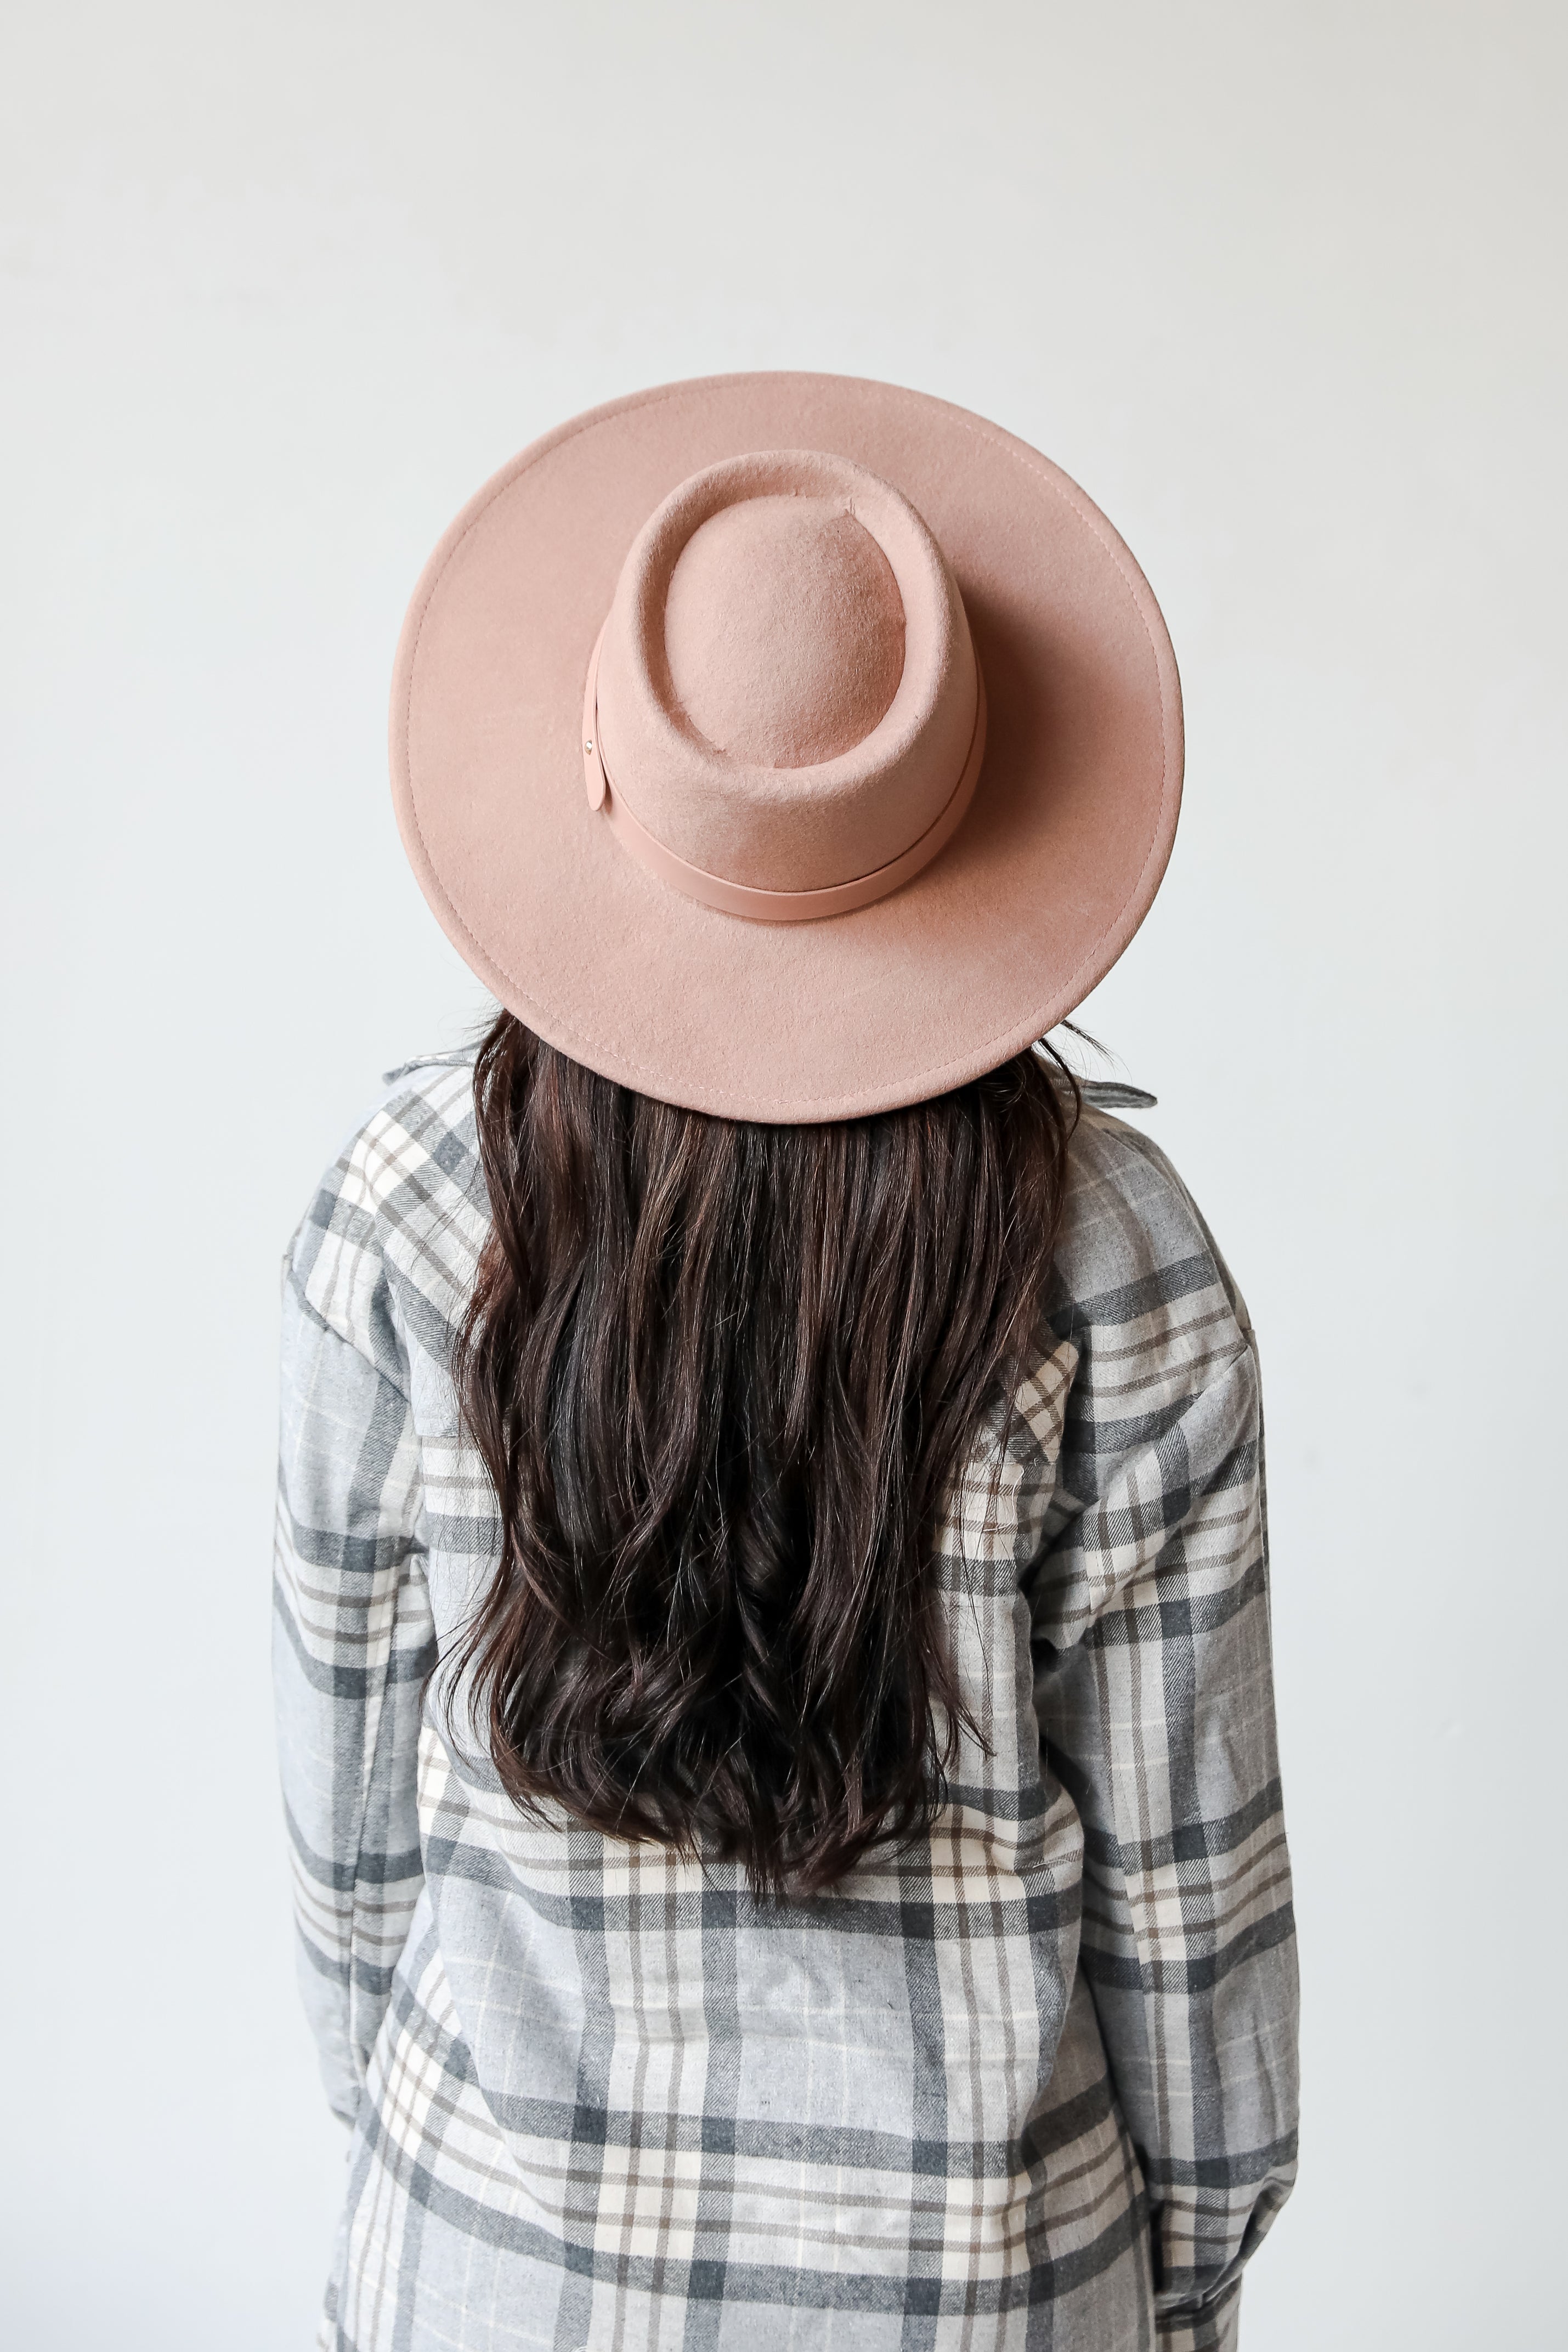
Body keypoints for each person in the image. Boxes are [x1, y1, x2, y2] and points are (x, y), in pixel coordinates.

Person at [274, 375, 1298, 2351]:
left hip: (488, 2271)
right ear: (971, 802)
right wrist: (1182, 2283)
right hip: (980, 2293)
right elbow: (1189, 1906)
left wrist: (444, 2157)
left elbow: (353, 1841)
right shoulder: (1116, 1253)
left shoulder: (402, 1211)